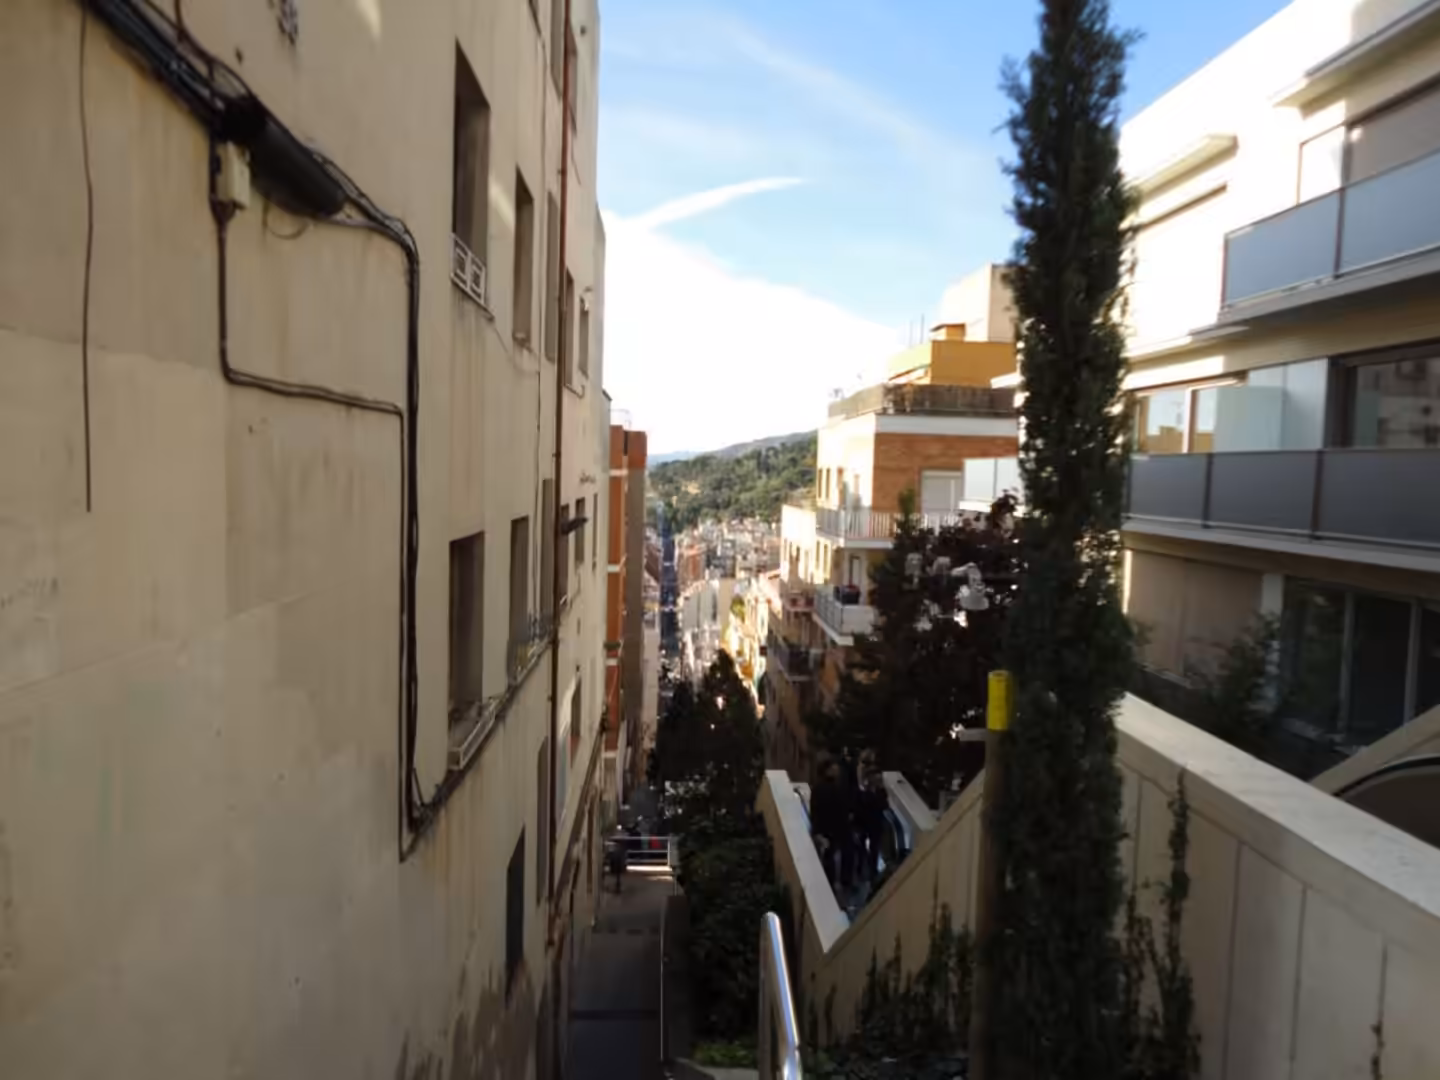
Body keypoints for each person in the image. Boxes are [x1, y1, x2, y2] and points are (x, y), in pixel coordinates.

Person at [809, 761, 849, 887]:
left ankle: (832, 886)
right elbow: (818, 811)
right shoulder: (830, 788)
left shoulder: (824, 787)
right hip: (831, 831)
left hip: (829, 831)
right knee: (830, 860)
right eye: (834, 768)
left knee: (831, 860)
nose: (837, 771)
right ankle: (832, 886)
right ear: (827, 770)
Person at [856, 767, 891, 883]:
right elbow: (861, 807)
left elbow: (885, 805)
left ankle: (872, 871)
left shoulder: (881, 792)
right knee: (862, 848)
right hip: (865, 823)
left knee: (874, 849)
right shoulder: (864, 793)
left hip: (876, 824)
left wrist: (881, 791)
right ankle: (860, 870)